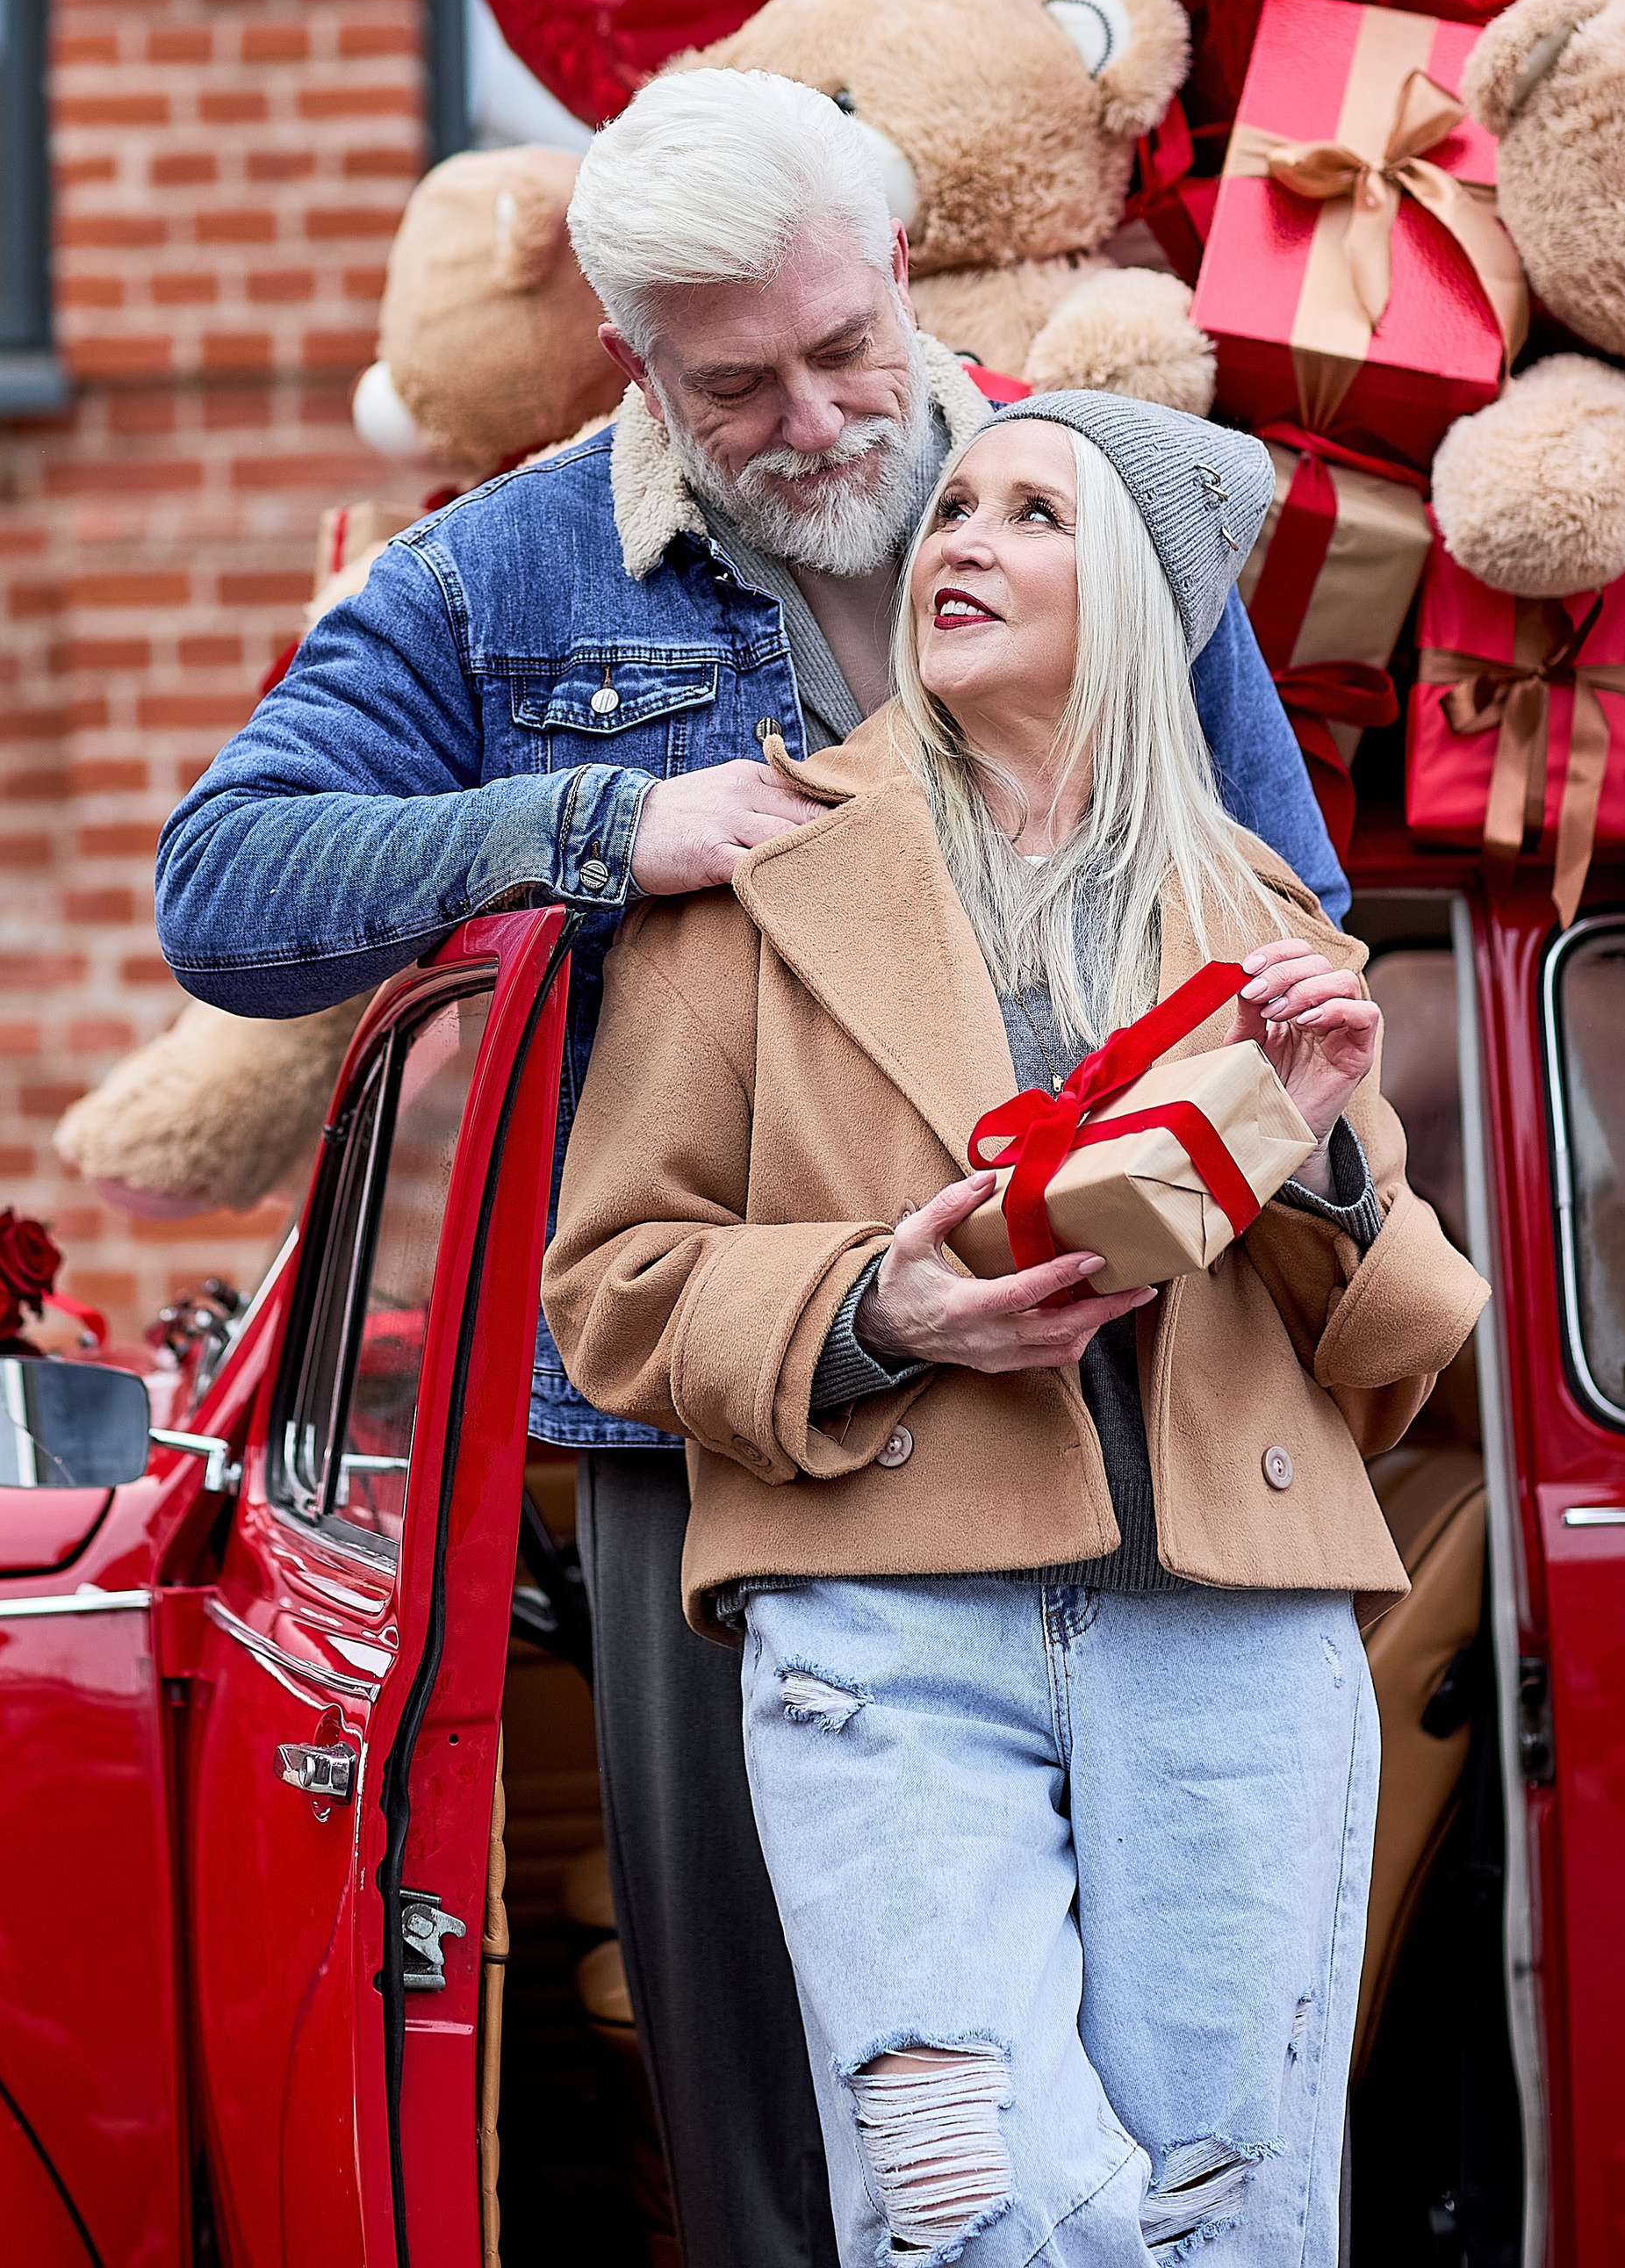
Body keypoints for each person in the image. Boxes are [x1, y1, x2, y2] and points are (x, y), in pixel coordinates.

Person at [155, 72, 1353, 2268]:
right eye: (734, 383)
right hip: (714, 1424)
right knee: (804, 2118)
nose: (812, 419)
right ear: (631, 359)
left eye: (842, 349)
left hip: (1152, 1389)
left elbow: (1280, 891)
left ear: (898, 266)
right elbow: (224, 889)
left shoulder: (1100, 494)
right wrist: (606, 832)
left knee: (1204, 2105)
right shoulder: (499, 573)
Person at [543, 393, 1489, 2267]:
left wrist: (1312, 1161)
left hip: (1233, 1630)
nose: (957, 537)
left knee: (1233, 2219)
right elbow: (612, 1288)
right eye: (949, 504)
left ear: (1134, 596)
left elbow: (1389, 1359)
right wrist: (874, 1307)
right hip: (882, 1628)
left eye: (1029, 514)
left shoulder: (1259, 909)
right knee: (963, 2212)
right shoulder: (755, 873)